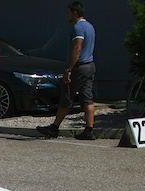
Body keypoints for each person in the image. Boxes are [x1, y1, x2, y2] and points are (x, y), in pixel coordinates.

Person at [36, 2, 97, 140]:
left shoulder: (78, 27)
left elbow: (77, 49)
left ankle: (54, 128)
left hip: (79, 67)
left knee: (67, 96)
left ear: (75, 13)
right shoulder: (90, 26)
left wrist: (69, 69)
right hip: (90, 66)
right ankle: (89, 129)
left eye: (68, 12)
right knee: (87, 98)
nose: (67, 15)